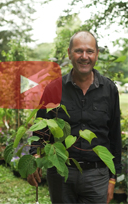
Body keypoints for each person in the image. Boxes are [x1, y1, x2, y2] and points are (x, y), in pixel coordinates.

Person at [27, 31, 122, 204]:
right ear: (70, 53)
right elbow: (41, 128)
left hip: (97, 176)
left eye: (89, 51)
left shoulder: (109, 90)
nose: (84, 56)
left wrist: (113, 178)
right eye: (79, 51)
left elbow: (114, 136)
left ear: (97, 54)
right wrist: (35, 157)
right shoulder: (53, 89)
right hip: (61, 173)